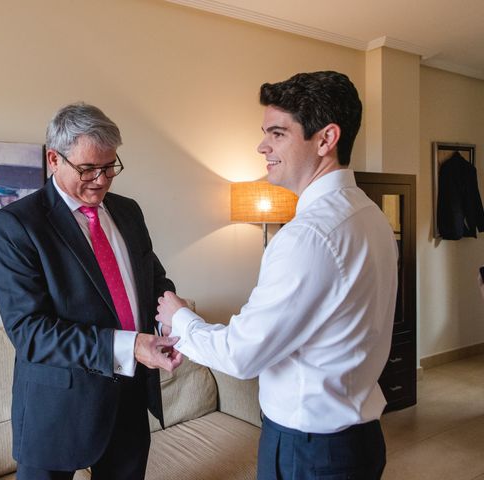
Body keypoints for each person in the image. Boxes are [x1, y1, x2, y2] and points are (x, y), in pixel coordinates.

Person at [157, 71, 398, 480]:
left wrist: (179, 317)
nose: (262, 145)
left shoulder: (307, 237)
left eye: (278, 133)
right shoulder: (370, 215)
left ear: (326, 139)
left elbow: (242, 354)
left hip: (310, 450)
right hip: (358, 439)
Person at [0, 102, 182, 480]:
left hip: (129, 395)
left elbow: (154, 282)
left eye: (110, 166)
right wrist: (129, 346)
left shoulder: (128, 211)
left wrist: (175, 320)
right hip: (57, 406)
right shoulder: (16, 225)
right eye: (87, 169)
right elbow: (29, 333)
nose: (102, 179)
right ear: (53, 159)